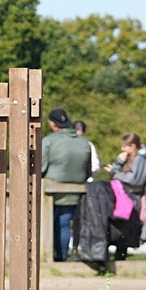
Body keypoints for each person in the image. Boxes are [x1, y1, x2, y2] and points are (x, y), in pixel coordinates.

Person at [41, 107, 91, 261]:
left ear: (52, 124)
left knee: (51, 224)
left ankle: (52, 256)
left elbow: (40, 168)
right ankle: (62, 257)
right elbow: (88, 170)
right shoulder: (84, 143)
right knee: (64, 224)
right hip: (75, 194)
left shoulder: (48, 141)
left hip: (50, 193)